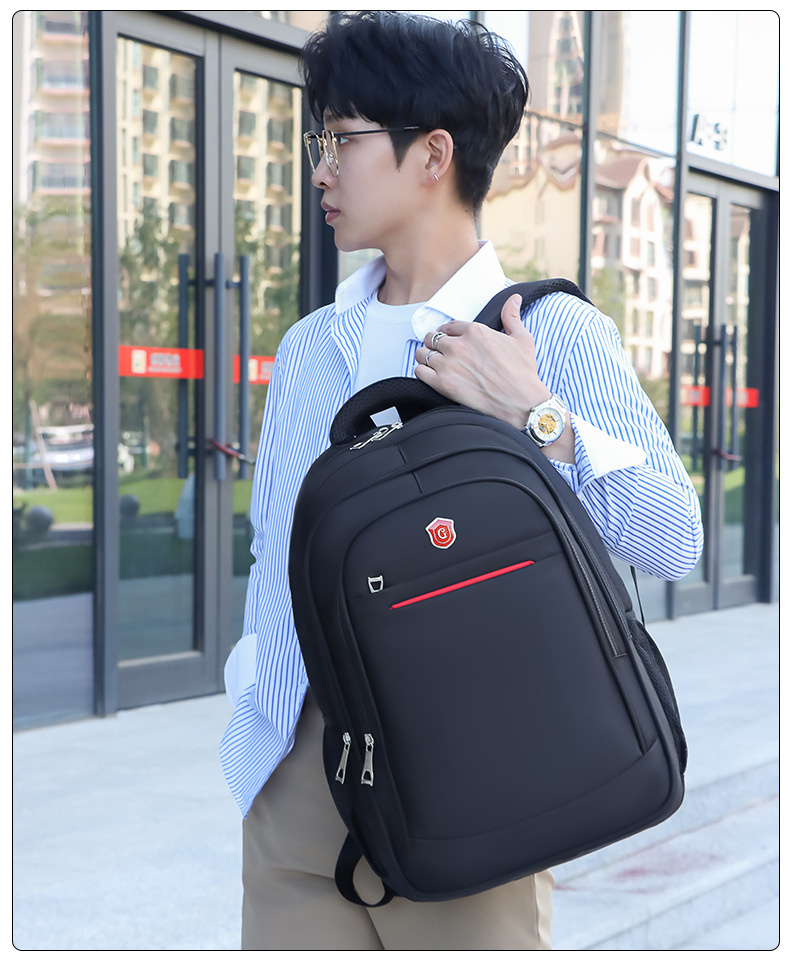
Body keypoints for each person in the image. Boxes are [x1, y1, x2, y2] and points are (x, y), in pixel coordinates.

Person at [220, 11, 703, 950]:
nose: (321, 169)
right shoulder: (312, 348)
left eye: (342, 140)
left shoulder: (550, 333)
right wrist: (254, 709)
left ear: (433, 155)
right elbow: (272, 554)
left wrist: (538, 416)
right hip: (294, 786)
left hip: (477, 787)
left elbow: (674, 538)